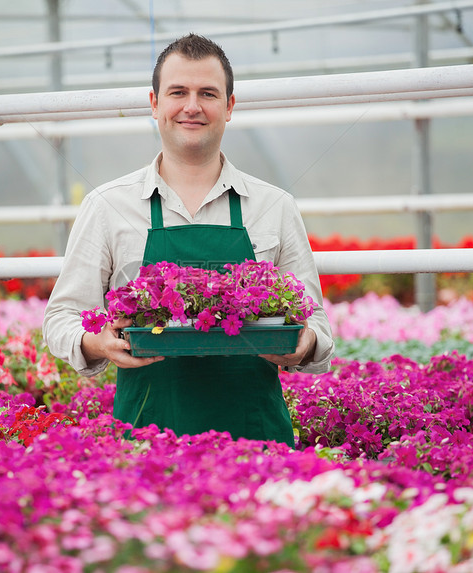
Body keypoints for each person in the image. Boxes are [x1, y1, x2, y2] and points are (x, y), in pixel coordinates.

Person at [43, 33, 334, 446]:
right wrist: (96, 342)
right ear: (154, 103)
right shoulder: (107, 205)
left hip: (255, 440)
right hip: (144, 443)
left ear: (229, 106)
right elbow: (61, 318)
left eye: (208, 93)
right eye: (178, 92)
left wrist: (303, 344)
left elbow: (316, 322)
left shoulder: (275, 206)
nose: (192, 106)